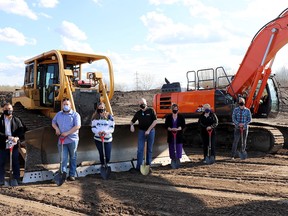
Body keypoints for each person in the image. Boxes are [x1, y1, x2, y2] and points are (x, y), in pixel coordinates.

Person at [52, 98, 81, 181]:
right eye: (64, 104)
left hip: (72, 140)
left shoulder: (75, 115)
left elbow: (77, 126)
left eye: (67, 104)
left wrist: (67, 133)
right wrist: (56, 129)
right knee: (63, 158)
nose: (65, 106)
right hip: (62, 140)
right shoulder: (59, 114)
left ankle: (72, 174)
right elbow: (53, 122)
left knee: (73, 157)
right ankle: (63, 174)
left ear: (70, 105)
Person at [0, 102, 25, 186]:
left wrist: (17, 137)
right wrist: (8, 137)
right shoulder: (0, 120)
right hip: (3, 145)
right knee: (1, 162)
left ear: (12, 109)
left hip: (13, 144)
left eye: (10, 109)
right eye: (6, 109)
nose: (8, 110)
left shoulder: (16, 120)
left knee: (15, 162)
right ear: (3, 110)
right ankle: (1, 179)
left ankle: (16, 178)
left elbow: (21, 130)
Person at [130, 98, 157, 172]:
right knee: (140, 149)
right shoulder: (138, 113)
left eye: (143, 103)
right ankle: (138, 167)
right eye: (140, 103)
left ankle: (148, 166)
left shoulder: (151, 111)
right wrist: (131, 125)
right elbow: (132, 121)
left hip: (150, 132)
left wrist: (148, 130)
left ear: (146, 103)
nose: (142, 105)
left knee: (149, 149)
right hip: (141, 132)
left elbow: (155, 121)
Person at [91, 102, 115, 167]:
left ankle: (106, 163)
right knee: (102, 154)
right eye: (99, 108)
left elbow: (112, 128)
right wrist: (98, 132)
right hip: (98, 139)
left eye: (102, 108)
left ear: (104, 108)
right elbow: (93, 128)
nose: (101, 109)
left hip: (107, 139)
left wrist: (105, 132)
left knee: (107, 156)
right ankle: (102, 165)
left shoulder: (109, 117)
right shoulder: (95, 117)